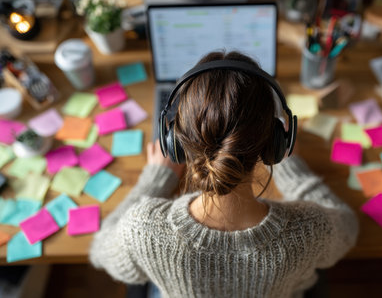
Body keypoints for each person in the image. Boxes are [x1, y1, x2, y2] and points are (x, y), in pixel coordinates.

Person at [89, 51, 359, 297]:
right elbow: (347, 228)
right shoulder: (310, 229)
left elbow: (100, 251)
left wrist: (156, 179)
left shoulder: (143, 229)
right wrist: (292, 168)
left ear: (176, 142)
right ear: (276, 145)